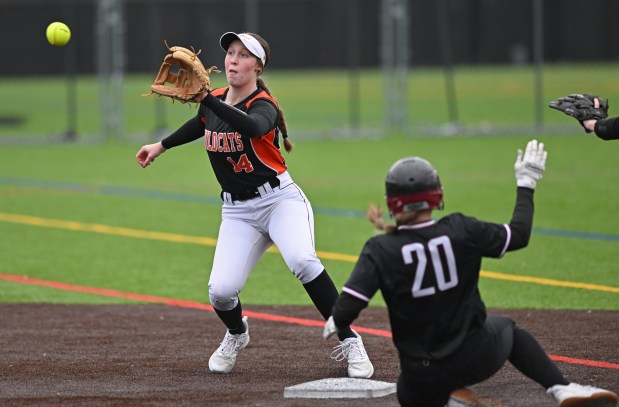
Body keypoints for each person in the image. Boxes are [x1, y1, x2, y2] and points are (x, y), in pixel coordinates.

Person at [135, 32, 373, 377]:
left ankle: (350, 340)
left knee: (303, 261)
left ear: (258, 67)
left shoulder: (264, 105)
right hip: (237, 212)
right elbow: (201, 123)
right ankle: (236, 334)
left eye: (243, 55)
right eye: (230, 53)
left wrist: (208, 100)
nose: (233, 60)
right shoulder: (213, 100)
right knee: (221, 291)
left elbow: (251, 126)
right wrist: (162, 144)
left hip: (279, 201)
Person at [322, 140, 619, 407]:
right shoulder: (461, 229)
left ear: (392, 202)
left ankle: (452, 401)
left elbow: (347, 308)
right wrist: (526, 182)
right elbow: (518, 235)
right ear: (436, 195)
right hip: (476, 356)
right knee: (511, 332)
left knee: (407, 392)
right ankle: (562, 389)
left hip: (421, 374)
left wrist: (336, 320)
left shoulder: (380, 248)